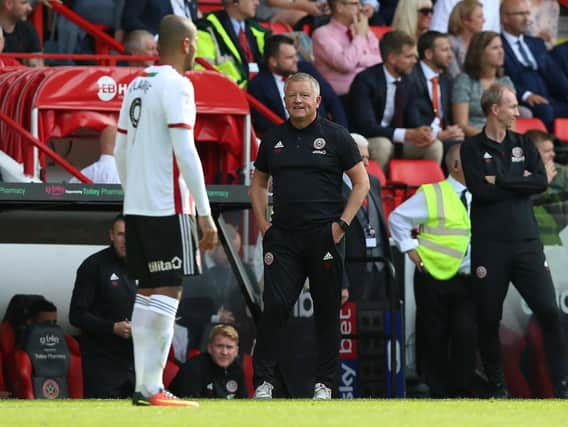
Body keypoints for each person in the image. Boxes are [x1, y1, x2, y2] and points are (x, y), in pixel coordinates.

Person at [114, 14, 218, 407]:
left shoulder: (135, 83)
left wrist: (132, 193)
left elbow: (120, 149)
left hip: (138, 206)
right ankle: (153, 387)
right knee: (169, 290)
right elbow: (186, 151)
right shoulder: (179, 85)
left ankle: (144, 387)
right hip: (167, 206)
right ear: (188, 44)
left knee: (147, 293)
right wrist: (204, 214)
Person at [250, 72, 369, 399]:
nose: (298, 101)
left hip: (324, 236)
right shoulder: (273, 138)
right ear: (284, 100)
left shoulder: (337, 136)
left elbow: (362, 183)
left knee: (328, 311)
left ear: (317, 101)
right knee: (274, 306)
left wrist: (341, 225)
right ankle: (263, 382)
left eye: (304, 95)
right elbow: (258, 184)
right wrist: (263, 225)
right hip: (283, 238)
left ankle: (325, 384)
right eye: (292, 96)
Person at [460, 83, 568, 398]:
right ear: (495, 109)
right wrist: (518, 182)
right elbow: (480, 190)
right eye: (511, 106)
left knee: (548, 310)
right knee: (488, 316)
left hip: (526, 244)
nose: (517, 112)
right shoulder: (471, 147)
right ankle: (497, 385)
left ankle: (561, 382)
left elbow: (539, 183)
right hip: (490, 246)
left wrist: (502, 180)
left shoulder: (523, 143)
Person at [390, 144, 475, 398]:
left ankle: (461, 391)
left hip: (469, 278)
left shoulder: (481, 194)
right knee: (434, 335)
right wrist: (410, 249)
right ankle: (438, 393)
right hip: (433, 276)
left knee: (466, 335)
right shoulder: (434, 193)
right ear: (457, 166)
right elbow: (397, 218)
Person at [347, 30, 443, 170]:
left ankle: (424, 191)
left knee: (434, 146)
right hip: (366, 139)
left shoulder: (409, 81)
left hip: (397, 140)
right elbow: (366, 127)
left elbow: (413, 120)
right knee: (383, 145)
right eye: (409, 56)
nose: (415, 61)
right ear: (392, 58)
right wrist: (407, 134)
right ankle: (374, 190)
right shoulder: (365, 80)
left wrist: (422, 132)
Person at [69, 214, 137, 399]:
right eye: (121, 234)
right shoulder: (94, 266)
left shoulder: (145, 267)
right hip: (102, 364)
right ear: (111, 236)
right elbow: (76, 315)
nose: (126, 240)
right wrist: (112, 328)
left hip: (137, 362)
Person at [247, 34, 347, 135]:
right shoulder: (257, 85)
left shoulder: (306, 69)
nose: (296, 60)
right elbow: (264, 124)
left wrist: (341, 133)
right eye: (289, 57)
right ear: (273, 62)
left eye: (295, 55)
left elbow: (332, 100)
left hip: (323, 134)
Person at [500, 0, 568, 132]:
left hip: (548, 95)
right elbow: (501, 78)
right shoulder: (498, 44)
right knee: (545, 110)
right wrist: (526, 95)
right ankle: (552, 148)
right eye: (520, 14)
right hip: (522, 98)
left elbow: (554, 73)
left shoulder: (537, 43)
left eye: (527, 13)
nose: (527, 19)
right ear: (505, 18)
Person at [342, 133, 391, 303]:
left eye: (367, 157)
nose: (367, 163)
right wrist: (342, 282)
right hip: (352, 273)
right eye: (361, 157)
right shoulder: (332, 187)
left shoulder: (373, 182)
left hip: (379, 269)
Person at [311, 0, 381, 99]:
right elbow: (346, 64)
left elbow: (382, 59)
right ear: (340, 7)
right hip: (344, 97)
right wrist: (360, 36)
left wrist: (357, 60)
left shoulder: (364, 30)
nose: (361, 8)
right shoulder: (322, 34)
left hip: (372, 91)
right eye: (356, 4)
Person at [452, 31, 515, 137]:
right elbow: (461, 124)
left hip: (503, 139)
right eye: (495, 48)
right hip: (475, 139)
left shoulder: (506, 82)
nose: (501, 52)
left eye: (501, 47)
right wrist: (489, 138)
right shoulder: (464, 81)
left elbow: (511, 121)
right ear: (480, 53)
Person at [195, 0, 270, 88]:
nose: (257, 3)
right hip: (228, 95)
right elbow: (202, 73)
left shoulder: (260, 32)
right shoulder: (205, 29)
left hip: (260, 96)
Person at [409, 31, 464, 146]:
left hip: (446, 137)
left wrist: (453, 131)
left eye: (450, 50)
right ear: (429, 54)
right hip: (420, 138)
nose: (450, 55)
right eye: (445, 50)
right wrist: (437, 134)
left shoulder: (447, 80)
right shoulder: (411, 77)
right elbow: (411, 118)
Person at [169, 324, 248, 398]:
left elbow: (243, 404)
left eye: (229, 347)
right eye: (219, 346)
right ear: (209, 348)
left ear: (236, 351)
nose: (224, 352)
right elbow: (190, 406)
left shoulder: (237, 369)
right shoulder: (193, 368)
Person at [446, 0, 485, 78]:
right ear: (465, 21)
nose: (484, 20)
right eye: (479, 17)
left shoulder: (480, 43)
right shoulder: (450, 43)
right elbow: (455, 76)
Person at [0, 0, 43, 67]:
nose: (30, 8)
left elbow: (38, 68)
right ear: (8, 4)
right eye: (24, 3)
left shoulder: (28, 29)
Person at [527, 129, 568, 195]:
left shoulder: (562, 172)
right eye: (547, 151)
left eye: (552, 150)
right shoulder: (519, 174)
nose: (553, 154)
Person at [431, 0, 500, 33]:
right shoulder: (446, 1)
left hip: (484, 56)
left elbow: (495, 33)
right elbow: (437, 34)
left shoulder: (494, 1)